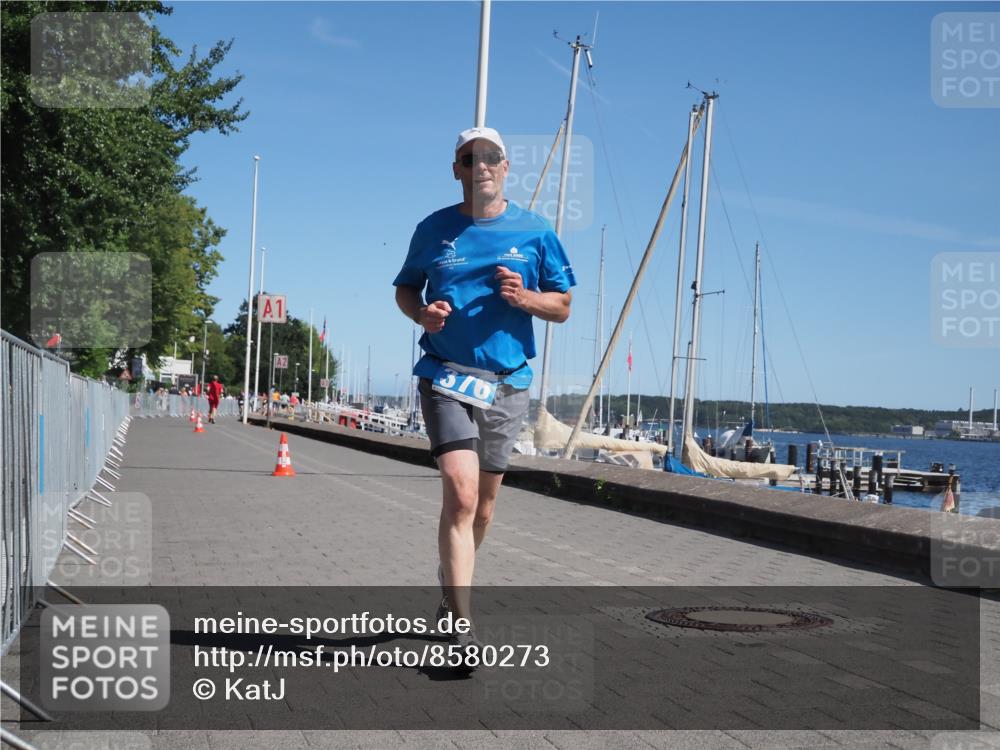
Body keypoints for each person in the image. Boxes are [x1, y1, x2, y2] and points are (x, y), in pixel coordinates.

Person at [393, 126, 575, 657]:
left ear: (505, 165)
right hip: (445, 374)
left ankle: (451, 589)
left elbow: (562, 307)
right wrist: (420, 313)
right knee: (462, 493)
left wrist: (526, 300)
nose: (482, 167)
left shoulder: (536, 231)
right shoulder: (433, 229)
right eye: (470, 159)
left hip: (508, 383)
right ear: (457, 169)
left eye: (491, 157)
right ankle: (461, 626)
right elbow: (406, 287)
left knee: (485, 509)